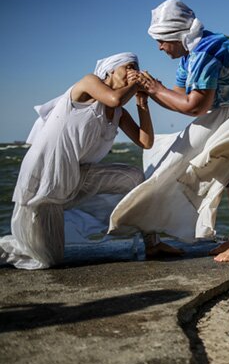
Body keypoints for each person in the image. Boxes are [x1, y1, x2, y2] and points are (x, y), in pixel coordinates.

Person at [109, 0, 229, 262]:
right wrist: (149, 90)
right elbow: (179, 98)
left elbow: (196, 107)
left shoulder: (205, 50)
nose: (159, 47)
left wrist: (156, 89)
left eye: (161, 40)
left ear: (176, 35)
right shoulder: (189, 58)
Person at [0, 53, 179, 270]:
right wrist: (135, 85)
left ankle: (152, 243)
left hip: (77, 176)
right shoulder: (88, 83)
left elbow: (145, 141)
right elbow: (115, 98)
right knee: (45, 259)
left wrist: (142, 101)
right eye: (129, 67)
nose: (134, 72)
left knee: (133, 178)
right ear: (110, 71)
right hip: (47, 177)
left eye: (136, 69)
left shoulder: (118, 113)